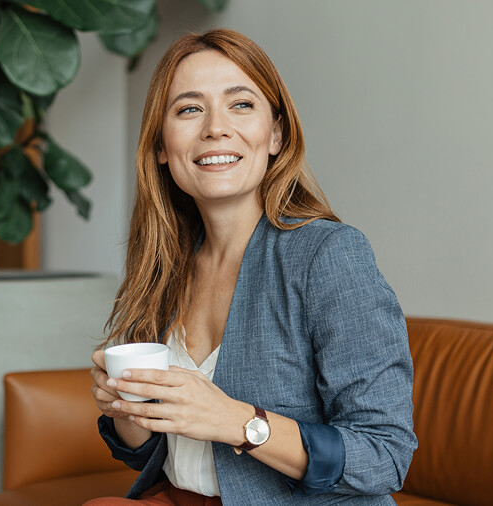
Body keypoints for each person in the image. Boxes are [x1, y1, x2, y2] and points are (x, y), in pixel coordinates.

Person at [87, 28, 416, 505]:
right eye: (189, 109)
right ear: (161, 145)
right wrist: (127, 409)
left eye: (241, 104)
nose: (215, 127)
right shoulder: (166, 264)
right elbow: (163, 454)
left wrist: (236, 422)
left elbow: (385, 455)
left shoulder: (328, 255)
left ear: (277, 134)